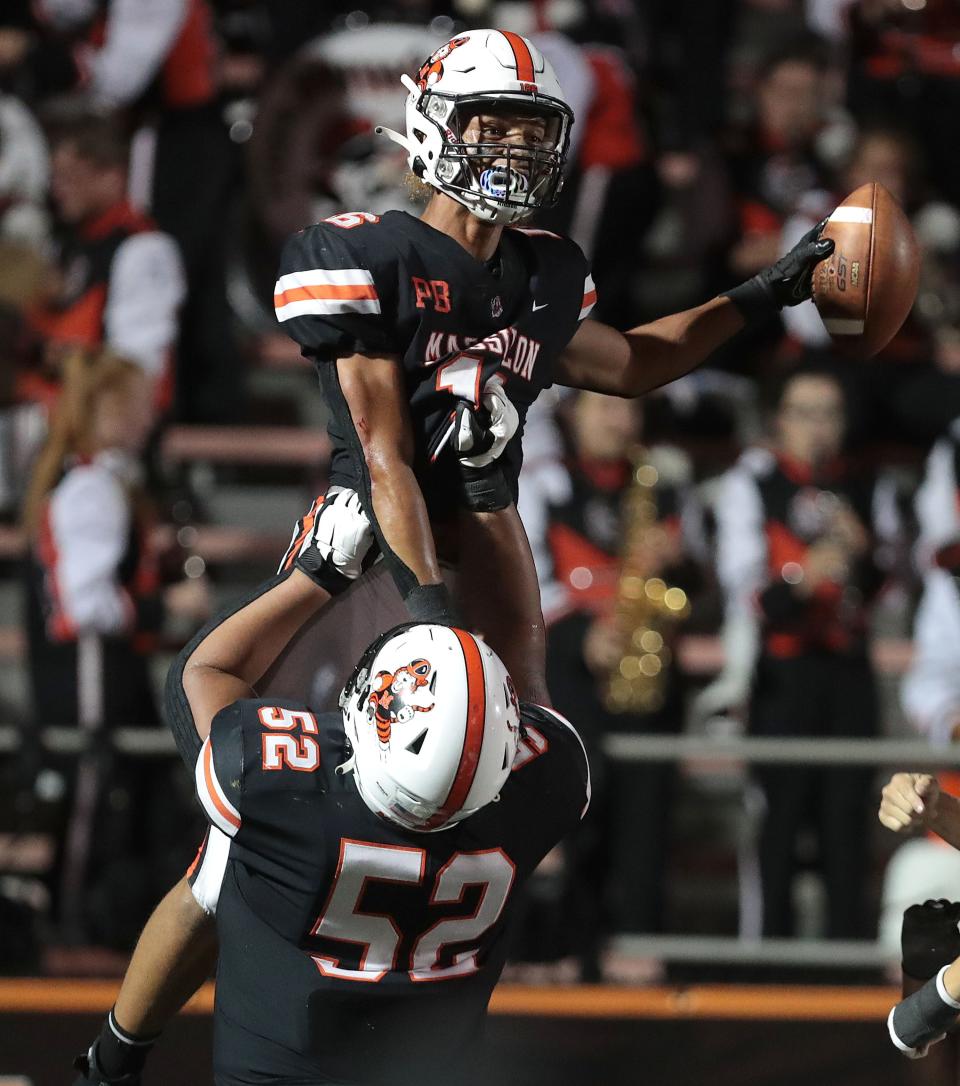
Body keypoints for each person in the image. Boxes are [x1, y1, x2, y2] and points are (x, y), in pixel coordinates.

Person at [272, 26, 834, 708]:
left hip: (486, 569)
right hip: (369, 562)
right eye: (496, 126)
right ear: (433, 125)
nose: (516, 147)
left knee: (520, 786)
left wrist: (766, 292)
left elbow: (634, 362)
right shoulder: (365, 255)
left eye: (533, 132)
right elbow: (383, 456)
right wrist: (431, 619)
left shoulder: (542, 272)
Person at [72, 520, 590, 1086]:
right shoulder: (542, 787)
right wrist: (492, 503)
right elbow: (523, 643)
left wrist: (317, 573)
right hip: (433, 1071)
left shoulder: (277, 791)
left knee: (217, 875)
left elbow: (202, 670)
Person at [20, 352, 209, 942]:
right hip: (88, 673)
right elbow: (86, 606)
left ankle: (109, 930)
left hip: (108, 670)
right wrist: (167, 608)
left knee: (141, 804)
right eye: (133, 405)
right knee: (94, 797)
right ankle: (71, 931)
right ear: (103, 410)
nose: (147, 417)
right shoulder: (91, 487)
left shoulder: (108, 482)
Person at [715, 365, 891, 938]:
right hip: (784, 673)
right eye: (805, 414)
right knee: (780, 820)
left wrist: (865, 552)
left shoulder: (864, 484)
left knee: (847, 819)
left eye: (830, 414)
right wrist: (803, 579)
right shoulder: (754, 484)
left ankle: (844, 959)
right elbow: (746, 590)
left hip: (847, 669)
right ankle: (769, 956)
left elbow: (897, 579)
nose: (819, 428)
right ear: (780, 422)